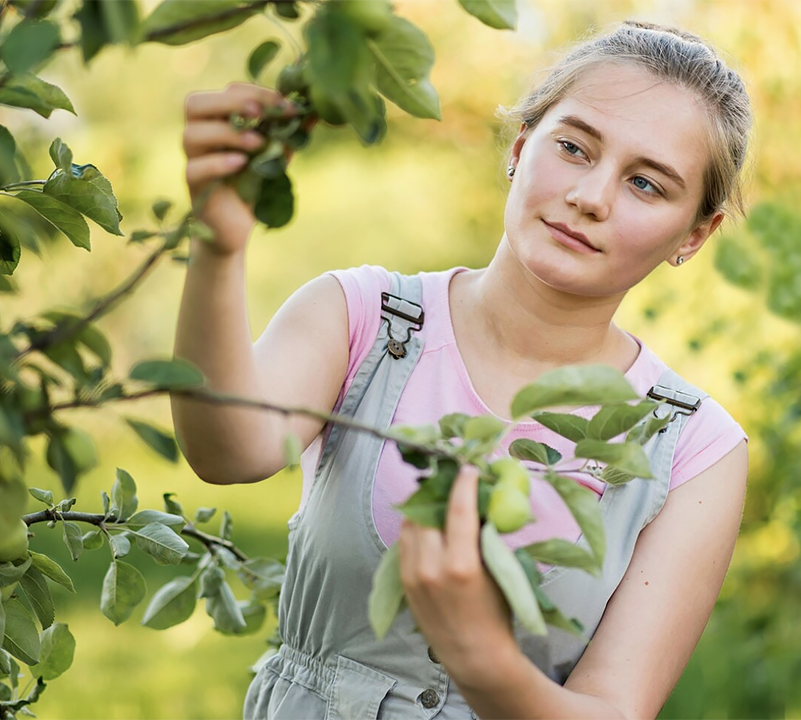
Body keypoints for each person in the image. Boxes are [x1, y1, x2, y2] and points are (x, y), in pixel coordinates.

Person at [171, 20, 751, 720]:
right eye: (573, 147)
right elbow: (227, 450)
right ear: (519, 146)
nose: (591, 196)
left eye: (647, 185)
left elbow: (614, 709)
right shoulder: (365, 318)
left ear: (693, 233)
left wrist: (482, 659)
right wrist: (216, 248)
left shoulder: (691, 449)